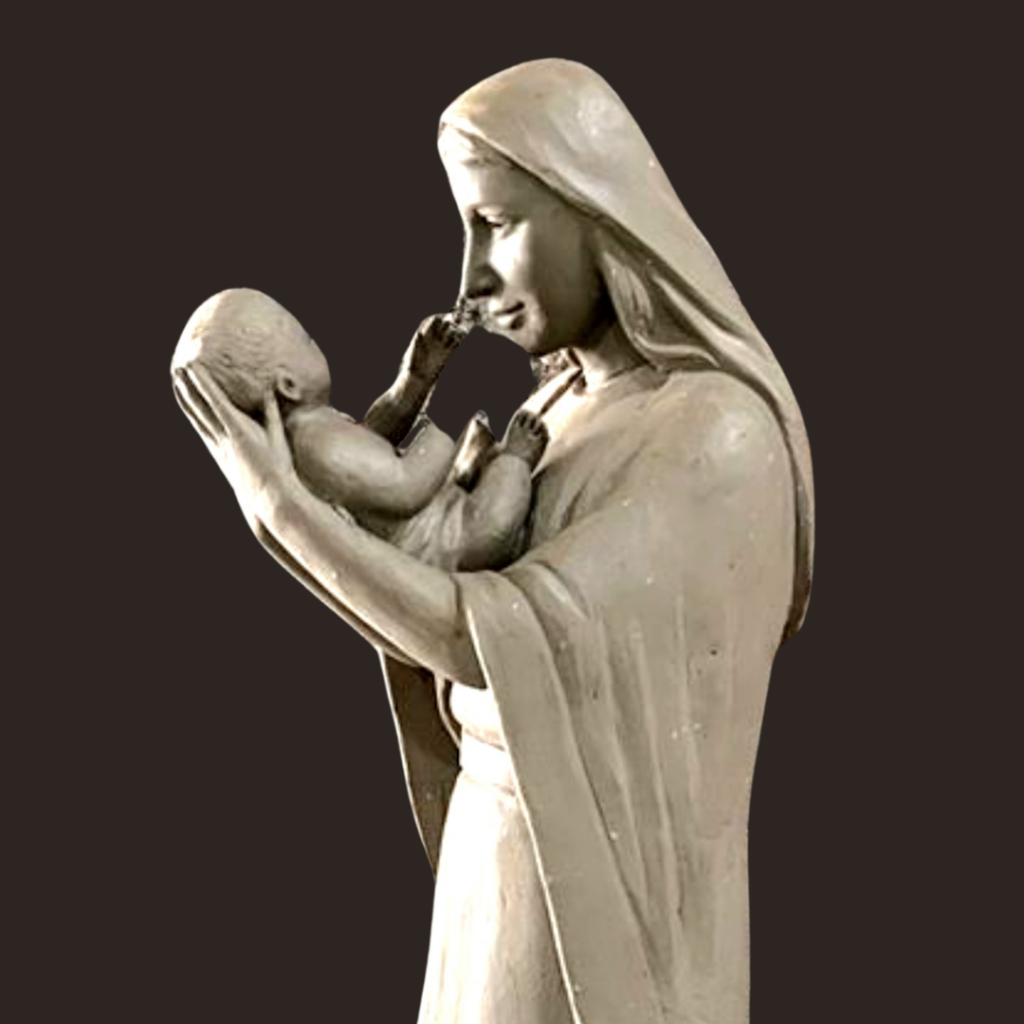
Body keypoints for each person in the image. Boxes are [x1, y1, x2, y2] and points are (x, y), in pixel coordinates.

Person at [174, 58, 814, 1024]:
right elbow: (444, 582)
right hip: (500, 863)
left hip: (593, 919)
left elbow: (489, 637)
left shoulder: (713, 434)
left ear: (596, 211)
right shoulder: (555, 408)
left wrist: (282, 512)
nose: (471, 275)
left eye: (496, 223)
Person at [173, 287, 549, 572]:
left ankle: (490, 465)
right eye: (306, 339)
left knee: (474, 452)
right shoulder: (318, 445)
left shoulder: (312, 429)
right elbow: (407, 485)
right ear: (289, 385)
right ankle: (516, 459)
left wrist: (416, 378)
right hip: (452, 542)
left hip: (442, 503)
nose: (315, 339)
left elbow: (373, 439)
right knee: (496, 515)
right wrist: (451, 412)